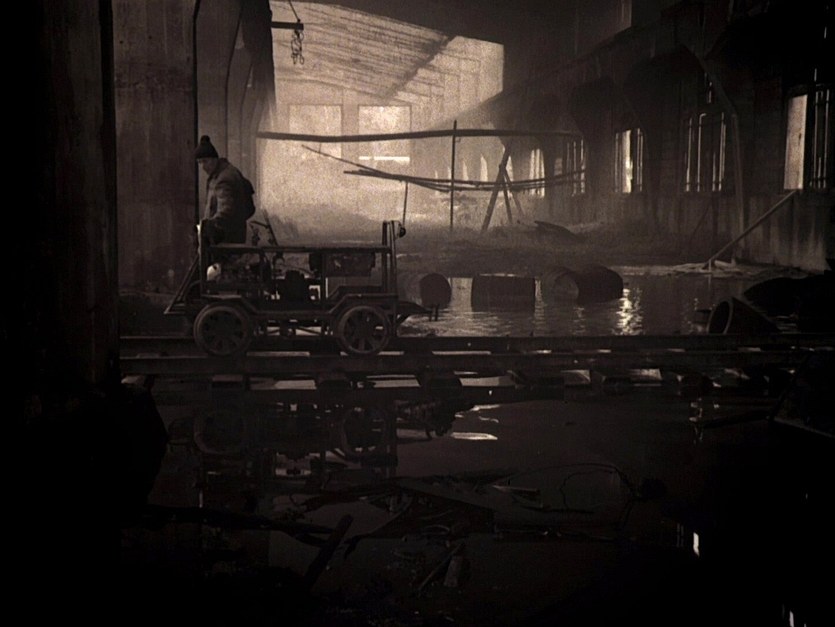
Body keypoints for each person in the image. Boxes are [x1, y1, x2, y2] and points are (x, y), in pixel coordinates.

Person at [194, 135, 256, 245]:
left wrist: (207, 227)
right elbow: (249, 208)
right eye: (200, 162)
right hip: (233, 238)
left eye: (205, 161)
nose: (203, 166)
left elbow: (226, 211)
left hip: (225, 241)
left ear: (214, 159)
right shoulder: (228, 172)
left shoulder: (223, 179)